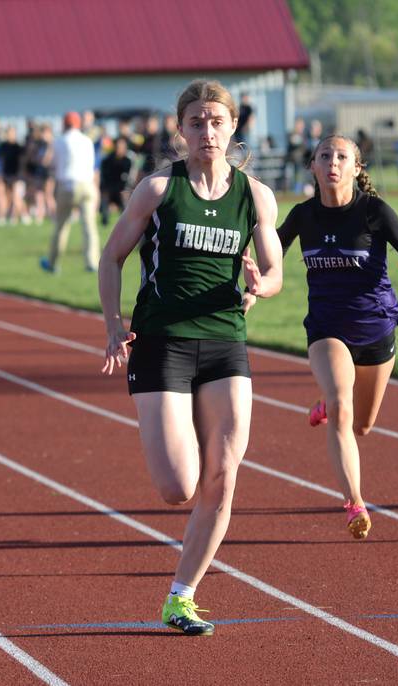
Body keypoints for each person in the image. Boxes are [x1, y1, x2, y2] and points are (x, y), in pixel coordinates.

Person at [98, 80, 282, 636]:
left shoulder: (255, 195)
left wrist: (260, 285)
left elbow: (274, 273)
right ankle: (171, 440)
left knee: (223, 477)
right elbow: (112, 257)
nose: (208, 131)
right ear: (181, 129)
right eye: (197, 122)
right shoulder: (157, 189)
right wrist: (112, 324)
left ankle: (182, 596)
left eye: (217, 121)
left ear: (232, 127)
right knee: (179, 486)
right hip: (161, 342)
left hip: (226, 339)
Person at [277, 134, 398, 540]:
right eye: (324, 155)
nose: (332, 162)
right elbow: (270, 253)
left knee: (362, 426)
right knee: (343, 409)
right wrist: (256, 274)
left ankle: (328, 401)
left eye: (341, 156)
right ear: (312, 166)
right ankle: (355, 504)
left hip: (376, 327)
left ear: (356, 168)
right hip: (327, 329)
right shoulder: (302, 215)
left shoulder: (373, 211)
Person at [40, 111, 100, 273]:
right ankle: (91, 262)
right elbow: (92, 165)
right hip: (87, 185)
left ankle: (52, 263)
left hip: (67, 185)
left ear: (65, 124)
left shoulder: (59, 141)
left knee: (61, 226)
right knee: (89, 227)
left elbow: (49, 163)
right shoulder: (87, 141)